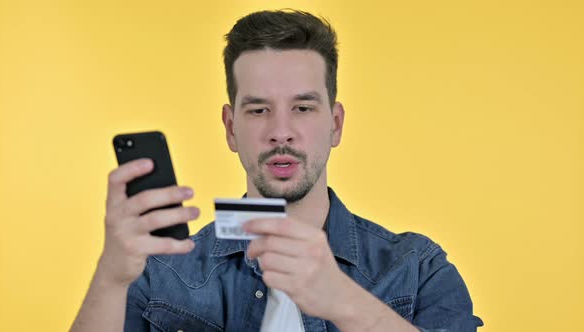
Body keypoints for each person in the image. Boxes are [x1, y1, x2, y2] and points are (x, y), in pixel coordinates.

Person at [71, 9, 484, 332]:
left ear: (335, 124)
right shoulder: (160, 272)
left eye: (303, 108)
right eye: (259, 109)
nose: (280, 132)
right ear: (231, 128)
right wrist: (109, 278)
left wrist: (344, 300)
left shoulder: (417, 268)